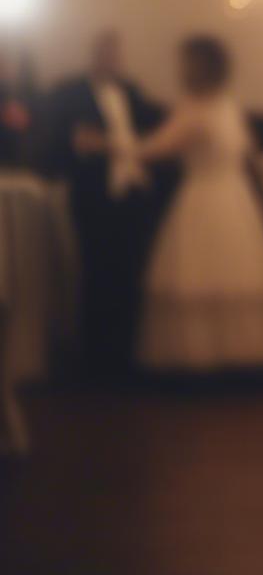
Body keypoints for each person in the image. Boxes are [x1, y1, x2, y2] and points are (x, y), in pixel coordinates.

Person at [77, 36, 263, 371]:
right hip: (234, 202)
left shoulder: (199, 109)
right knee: (229, 277)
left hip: (206, 198)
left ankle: (215, 361)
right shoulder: (225, 107)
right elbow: (253, 165)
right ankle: (233, 359)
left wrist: (101, 143)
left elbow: (150, 150)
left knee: (208, 278)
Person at [45, 29, 165, 378]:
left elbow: (154, 131)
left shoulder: (131, 90)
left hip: (135, 192)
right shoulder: (68, 92)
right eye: (106, 51)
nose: (113, 57)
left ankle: (128, 354)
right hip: (95, 193)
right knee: (96, 272)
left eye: (116, 51)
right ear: (94, 53)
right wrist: (79, 147)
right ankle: (96, 359)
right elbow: (56, 142)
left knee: (133, 272)